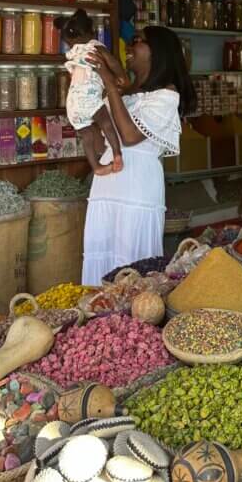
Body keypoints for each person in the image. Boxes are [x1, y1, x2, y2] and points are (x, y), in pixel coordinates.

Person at [81, 25, 196, 286]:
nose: (130, 47)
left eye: (137, 41)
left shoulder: (166, 95)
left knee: (132, 263)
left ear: (157, 52)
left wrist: (109, 82)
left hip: (137, 188)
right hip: (107, 185)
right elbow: (100, 142)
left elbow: (130, 136)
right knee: (103, 254)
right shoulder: (125, 93)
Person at [54, 9, 128, 175]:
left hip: (72, 104)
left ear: (68, 40)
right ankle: (117, 154)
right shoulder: (95, 46)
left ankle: (96, 167)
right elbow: (113, 63)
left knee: (86, 136)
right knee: (106, 124)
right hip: (89, 99)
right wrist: (120, 76)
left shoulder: (73, 52)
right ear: (91, 32)